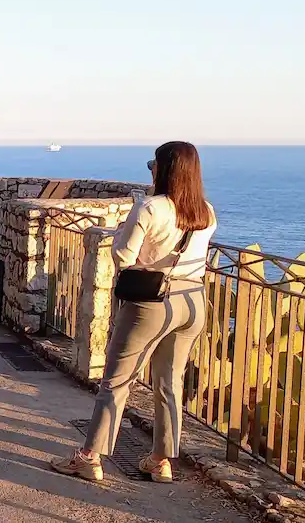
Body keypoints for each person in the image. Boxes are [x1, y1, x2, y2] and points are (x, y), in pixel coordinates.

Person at [50, 141, 216, 484]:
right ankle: (161, 461)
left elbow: (124, 257)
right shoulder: (206, 211)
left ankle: (89, 457)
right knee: (170, 382)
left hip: (153, 302)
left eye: (152, 164)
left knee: (117, 380)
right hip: (194, 301)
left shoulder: (150, 208)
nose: (151, 170)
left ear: (165, 169)